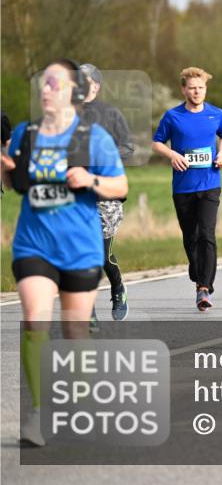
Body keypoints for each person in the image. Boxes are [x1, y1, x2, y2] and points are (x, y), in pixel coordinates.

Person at [2, 60, 127, 446]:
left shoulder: (93, 137)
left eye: (54, 84)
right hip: (34, 242)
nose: (45, 89)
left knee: (75, 331)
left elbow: (119, 185)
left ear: (73, 92)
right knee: (35, 318)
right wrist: (4, 166)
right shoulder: (26, 133)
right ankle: (38, 413)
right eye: (43, 83)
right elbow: (17, 180)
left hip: (79, 246)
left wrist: (91, 179)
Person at [151, 67, 222, 312]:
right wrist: (172, 154)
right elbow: (156, 143)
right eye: (192, 88)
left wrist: (221, 154)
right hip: (183, 187)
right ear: (184, 89)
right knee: (190, 237)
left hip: (209, 184)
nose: (196, 92)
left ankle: (203, 287)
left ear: (205, 89)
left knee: (207, 234)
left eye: (201, 88)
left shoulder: (216, 114)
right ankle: (198, 273)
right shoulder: (172, 116)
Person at [78, 64, 134, 325]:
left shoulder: (110, 113)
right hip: (75, 195)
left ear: (96, 86)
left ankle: (118, 287)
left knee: (101, 256)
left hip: (106, 195)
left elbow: (128, 147)